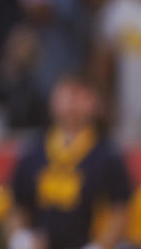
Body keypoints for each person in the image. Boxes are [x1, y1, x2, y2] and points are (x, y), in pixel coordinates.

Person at [7, 73, 132, 249]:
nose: (70, 102)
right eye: (65, 93)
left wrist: (100, 246)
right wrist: (22, 238)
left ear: (94, 103)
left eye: (79, 94)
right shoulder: (34, 150)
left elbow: (120, 209)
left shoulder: (107, 155)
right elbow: (17, 202)